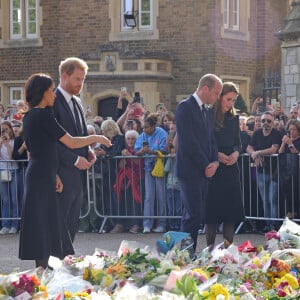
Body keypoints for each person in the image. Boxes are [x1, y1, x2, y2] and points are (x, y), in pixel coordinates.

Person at [18, 73, 111, 269]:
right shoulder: (42, 115)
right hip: (41, 176)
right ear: (43, 93)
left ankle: (44, 270)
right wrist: (97, 138)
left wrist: (55, 174)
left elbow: (43, 149)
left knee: (44, 222)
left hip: (41, 173)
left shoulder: (31, 115)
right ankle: (43, 271)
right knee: (44, 223)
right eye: (51, 91)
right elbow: (70, 141)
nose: (54, 94)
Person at [175, 73, 222, 253]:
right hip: (189, 170)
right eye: (216, 93)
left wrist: (215, 162)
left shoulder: (208, 112)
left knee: (195, 214)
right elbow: (188, 141)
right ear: (205, 88)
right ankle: (187, 253)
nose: (217, 97)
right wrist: (206, 164)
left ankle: (185, 252)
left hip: (204, 170)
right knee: (193, 214)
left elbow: (211, 140)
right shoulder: (185, 107)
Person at [53, 57, 96, 243]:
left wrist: (88, 150)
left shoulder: (78, 102)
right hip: (61, 172)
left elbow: (80, 132)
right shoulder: (52, 101)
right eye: (78, 79)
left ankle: (65, 260)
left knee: (72, 221)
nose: (81, 83)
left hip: (78, 174)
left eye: (83, 79)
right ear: (64, 76)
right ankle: (53, 264)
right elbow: (52, 141)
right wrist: (74, 159)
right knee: (59, 221)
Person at [205, 82, 244, 249]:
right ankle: (210, 250)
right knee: (211, 214)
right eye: (228, 99)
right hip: (214, 168)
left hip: (230, 168)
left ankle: (228, 251)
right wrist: (216, 155)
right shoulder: (207, 116)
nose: (230, 103)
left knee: (230, 214)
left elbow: (238, 142)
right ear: (220, 97)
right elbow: (204, 141)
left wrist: (236, 153)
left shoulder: (234, 118)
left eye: (233, 100)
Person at [246, 111, 281, 232]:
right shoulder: (257, 133)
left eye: (269, 121)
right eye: (263, 121)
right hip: (261, 172)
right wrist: (253, 154)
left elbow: (274, 149)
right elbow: (249, 147)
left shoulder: (276, 133)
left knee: (273, 199)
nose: (266, 123)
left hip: (274, 172)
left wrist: (258, 152)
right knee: (265, 200)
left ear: (273, 123)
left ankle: (274, 226)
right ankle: (268, 224)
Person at [135, 113, 167, 233]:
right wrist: (142, 151)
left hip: (159, 168)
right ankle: (147, 224)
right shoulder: (142, 135)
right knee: (149, 197)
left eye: (146, 127)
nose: (144, 130)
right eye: (143, 127)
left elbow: (164, 150)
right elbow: (136, 151)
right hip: (148, 168)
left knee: (161, 196)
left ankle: (162, 224)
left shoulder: (162, 133)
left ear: (153, 126)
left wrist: (151, 151)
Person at [113, 130, 144, 234]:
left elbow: (139, 163)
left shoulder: (139, 149)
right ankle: (121, 224)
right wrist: (123, 156)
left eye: (133, 138)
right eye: (128, 138)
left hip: (138, 178)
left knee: (136, 201)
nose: (130, 141)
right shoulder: (125, 149)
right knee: (124, 200)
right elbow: (121, 166)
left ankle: (136, 224)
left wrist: (129, 155)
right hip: (126, 179)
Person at [278, 119, 300, 219]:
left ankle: (293, 215)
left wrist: (291, 144)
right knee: (288, 195)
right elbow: (280, 152)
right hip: (286, 173)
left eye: (294, 129)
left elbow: (297, 154)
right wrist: (284, 142)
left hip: (297, 173)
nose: (292, 131)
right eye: (290, 129)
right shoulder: (287, 140)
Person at [0, 121, 19, 234]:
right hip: (3, 170)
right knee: (5, 200)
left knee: (14, 199)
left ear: (10, 130)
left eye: (6, 129)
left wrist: (7, 144)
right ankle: (5, 224)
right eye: (2, 129)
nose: (4, 131)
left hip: (14, 170)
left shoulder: (14, 141)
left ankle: (14, 225)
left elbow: (12, 157)